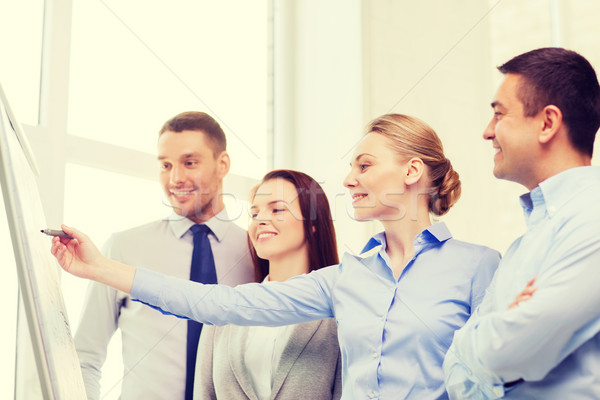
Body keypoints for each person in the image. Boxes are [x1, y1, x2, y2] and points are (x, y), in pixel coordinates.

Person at [52, 113, 500, 399]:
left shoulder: (479, 267)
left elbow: (497, 378)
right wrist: (100, 267)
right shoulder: (347, 279)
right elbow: (220, 305)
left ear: (411, 172)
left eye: (363, 166)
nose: (348, 179)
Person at [443, 47, 600, 399]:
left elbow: (512, 351)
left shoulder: (594, 219)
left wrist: (482, 338)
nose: (487, 132)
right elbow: (452, 369)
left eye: (499, 115)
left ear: (547, 123)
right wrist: (494, 336)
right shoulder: (521, 247)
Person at [73, 111, 254, 400]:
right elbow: (85, 356)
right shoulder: (123, 248)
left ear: (223, 165)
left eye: (189, 163)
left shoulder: (255, 253)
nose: (176, 178)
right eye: (166, 165)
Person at [195, 169, 342, 399]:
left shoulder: (340, 315)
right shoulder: (223, 312)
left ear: (313, 223)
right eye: (254, 214)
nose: (260, 220)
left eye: (277, 209)